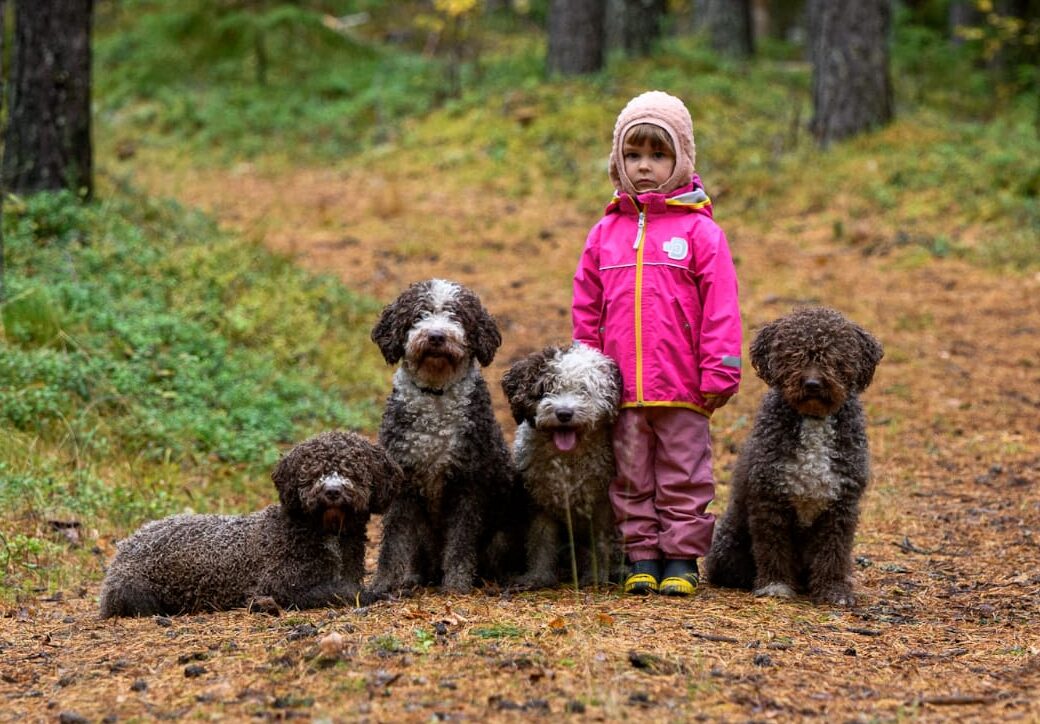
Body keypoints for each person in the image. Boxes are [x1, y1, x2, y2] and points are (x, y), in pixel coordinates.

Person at [572, 90, 742, 596]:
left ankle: (682, 558)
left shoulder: (700, 232)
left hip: (683, 382)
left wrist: (721, 368)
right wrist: (589, 373)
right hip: (620, 385)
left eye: (658, 154)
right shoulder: (605, 232)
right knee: (628, 475)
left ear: (681, 158)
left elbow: (721, 307)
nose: (645, 167)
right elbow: (586, 309)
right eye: (634, 155)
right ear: (617, 160)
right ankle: (641, 554)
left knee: (684, 472)